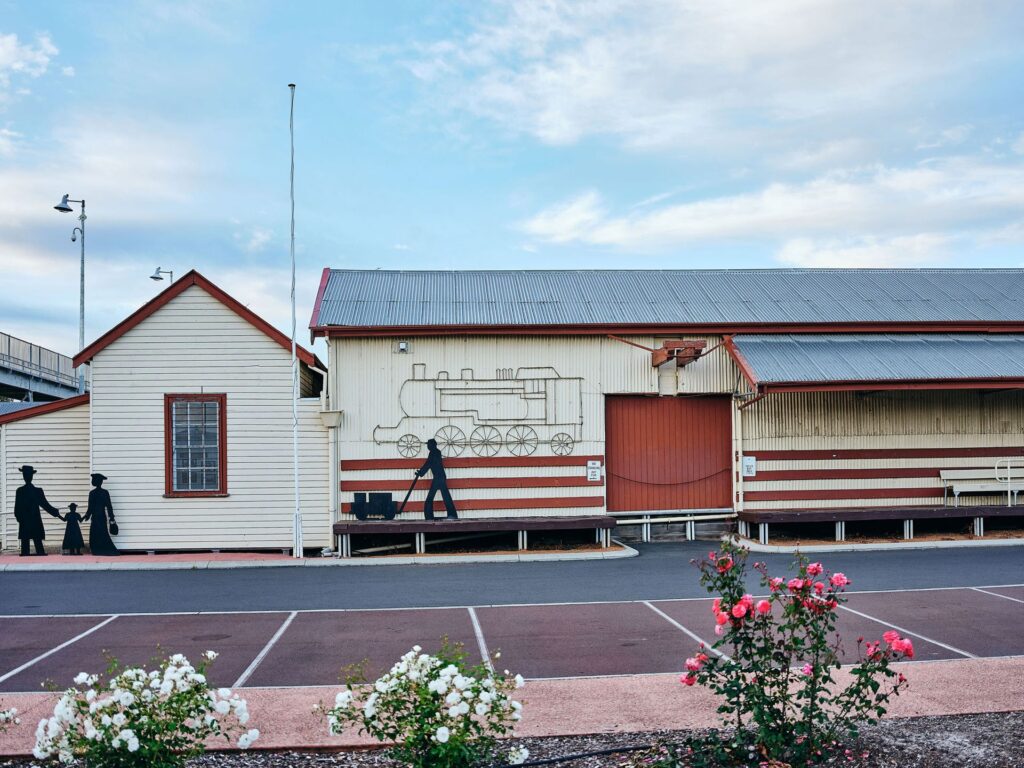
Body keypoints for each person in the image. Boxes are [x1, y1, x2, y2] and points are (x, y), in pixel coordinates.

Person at [14, 465, 61, 556]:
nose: (26, 476)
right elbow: (45, 505)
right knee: (35, 541)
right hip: (33, 520)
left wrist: (19, 518)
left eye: (27, 475)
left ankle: (31, 554)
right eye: (26, 474)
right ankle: (37, 553)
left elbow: (17, 509)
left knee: (29, 543)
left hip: (26, 521)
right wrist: (55, 512)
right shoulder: (35, 491)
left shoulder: (21, 491)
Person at [416, 438, 458, 520]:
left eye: (429, 445)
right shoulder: (436, 452)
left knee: (432, 497)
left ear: (432, 445)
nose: (428, 446)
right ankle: (452, 514)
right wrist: (421, 472)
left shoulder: (434, 452)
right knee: (445, 496)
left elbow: (428, 463)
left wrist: (421, 473)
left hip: (439, 477)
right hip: (439, 477)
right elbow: (429, 463)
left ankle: (429, 516)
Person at [83, 473, 119, 556]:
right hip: (102, 516)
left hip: (95, 516)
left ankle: (96, 549)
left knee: (95, 533)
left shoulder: (92, 493)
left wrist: (87, 516)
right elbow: (109, 506)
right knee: (103, 532)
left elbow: (90, 508)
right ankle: (103, 549)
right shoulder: (105, 492)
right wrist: (111, 517)